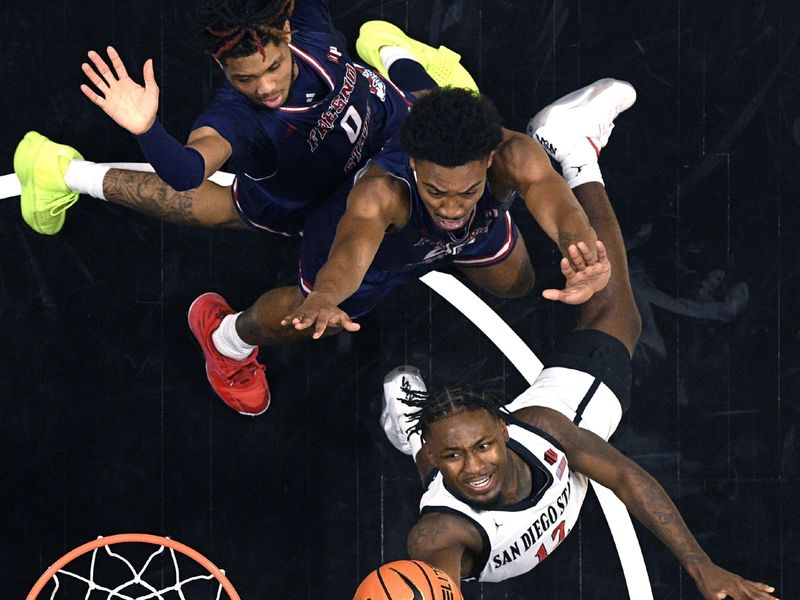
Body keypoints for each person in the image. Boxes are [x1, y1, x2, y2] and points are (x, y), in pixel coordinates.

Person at [376, 85, 778, 600]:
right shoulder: (441, 536)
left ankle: (573, 149)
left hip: (578, 400)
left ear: (503, 427)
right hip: (477, 477)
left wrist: (704, 570)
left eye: (481, 446)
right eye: (457, 455)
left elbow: (628, 480)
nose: (476, 467)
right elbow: (435, 579)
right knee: (434, 453)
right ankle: (409, 422)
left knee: (617, 313)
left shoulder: (540, 428)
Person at [188, 81, 625, 417]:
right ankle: (225, 339)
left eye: (467, 190)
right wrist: (326, 295)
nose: (452, 208)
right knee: (311, 318)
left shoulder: (517, 156)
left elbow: (562, 208)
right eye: (437, 192)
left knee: (516, 283)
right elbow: (351, 254)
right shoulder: (381, 193)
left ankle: (403, 60)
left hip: (475, 231)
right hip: (379, 256)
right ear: (414, 164)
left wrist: (580, 249)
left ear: (490, 160)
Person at [14, 3, 474, 236]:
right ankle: (62, 172)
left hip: (388, 123)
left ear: (288, 34)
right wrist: (147, 129)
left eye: (273, 67)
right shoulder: (237, 119)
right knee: (219, 212)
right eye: (246, 78)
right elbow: (187, 172)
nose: (266, 88)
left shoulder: (305, 22)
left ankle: (388, 48)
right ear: (222, 69)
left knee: (448, 114)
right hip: (312, 196)